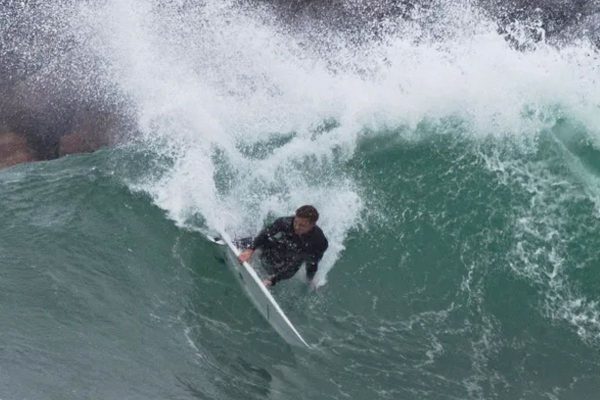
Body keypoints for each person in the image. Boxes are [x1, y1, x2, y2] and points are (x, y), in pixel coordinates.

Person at [238, 205, 328, 288]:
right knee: (262, 241)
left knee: (298, 260)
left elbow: (312, 265)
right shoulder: (285, 222)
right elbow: (265, 234)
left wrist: (273, 280)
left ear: (312, 225)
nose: (296, 227)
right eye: (296, 222)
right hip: (279, 248)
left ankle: (270, 280)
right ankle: (234, 243)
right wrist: (250, 249)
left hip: (288, 262)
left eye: (302, 225)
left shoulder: (319, 241)